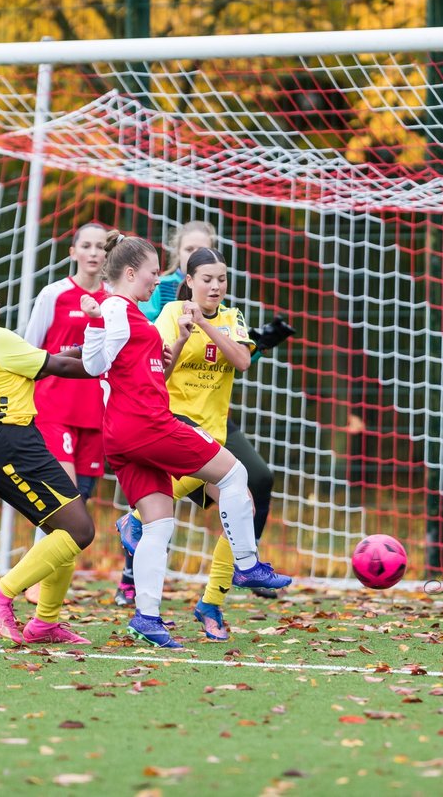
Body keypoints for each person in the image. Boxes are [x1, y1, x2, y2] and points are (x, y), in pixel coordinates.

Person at [81, 231, 292, 649]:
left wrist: (95, 321)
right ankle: (247, 565)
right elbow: (124, 363)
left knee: (164, 521)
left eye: (222, 279)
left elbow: (98, 364)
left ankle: (149, 615)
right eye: (153, 274)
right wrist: (102, 317)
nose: (157, 281)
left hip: (138, 431)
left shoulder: (131, 313)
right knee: (236, 477)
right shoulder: (134, 311)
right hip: (158, 424)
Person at [0, 269, 97, 645]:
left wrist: (90, 347)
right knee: (79, 530)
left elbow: (47, 360)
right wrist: (119, 359)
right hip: (10, 442)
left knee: (66, 530)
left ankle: (45, 623)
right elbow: (61, 366)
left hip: (3, 441)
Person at [156, 247, 258, 642]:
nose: (215, 286)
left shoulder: (233, 318)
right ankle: (142, 604)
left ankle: (210, 603)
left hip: (214, 432)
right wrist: (185, 332)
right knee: (158, 519)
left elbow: (243, 362)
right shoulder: (170, 314)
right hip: (175, 422)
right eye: (207, 279)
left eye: (221, 279)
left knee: (243, 507)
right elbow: (161, 368)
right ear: (189, 281)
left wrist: (208, 325)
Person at [20, 222, 108, 605]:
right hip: (53, 409)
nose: (93, 253)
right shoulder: (53, 294)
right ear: (72, 252)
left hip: (97, 413)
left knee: (79, 506)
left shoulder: (116, 300)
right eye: (85, 245)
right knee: (63, 499)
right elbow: (27, 349)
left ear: (108, 255)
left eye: (100, 247)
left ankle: (47, 587)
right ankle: (32, 583)